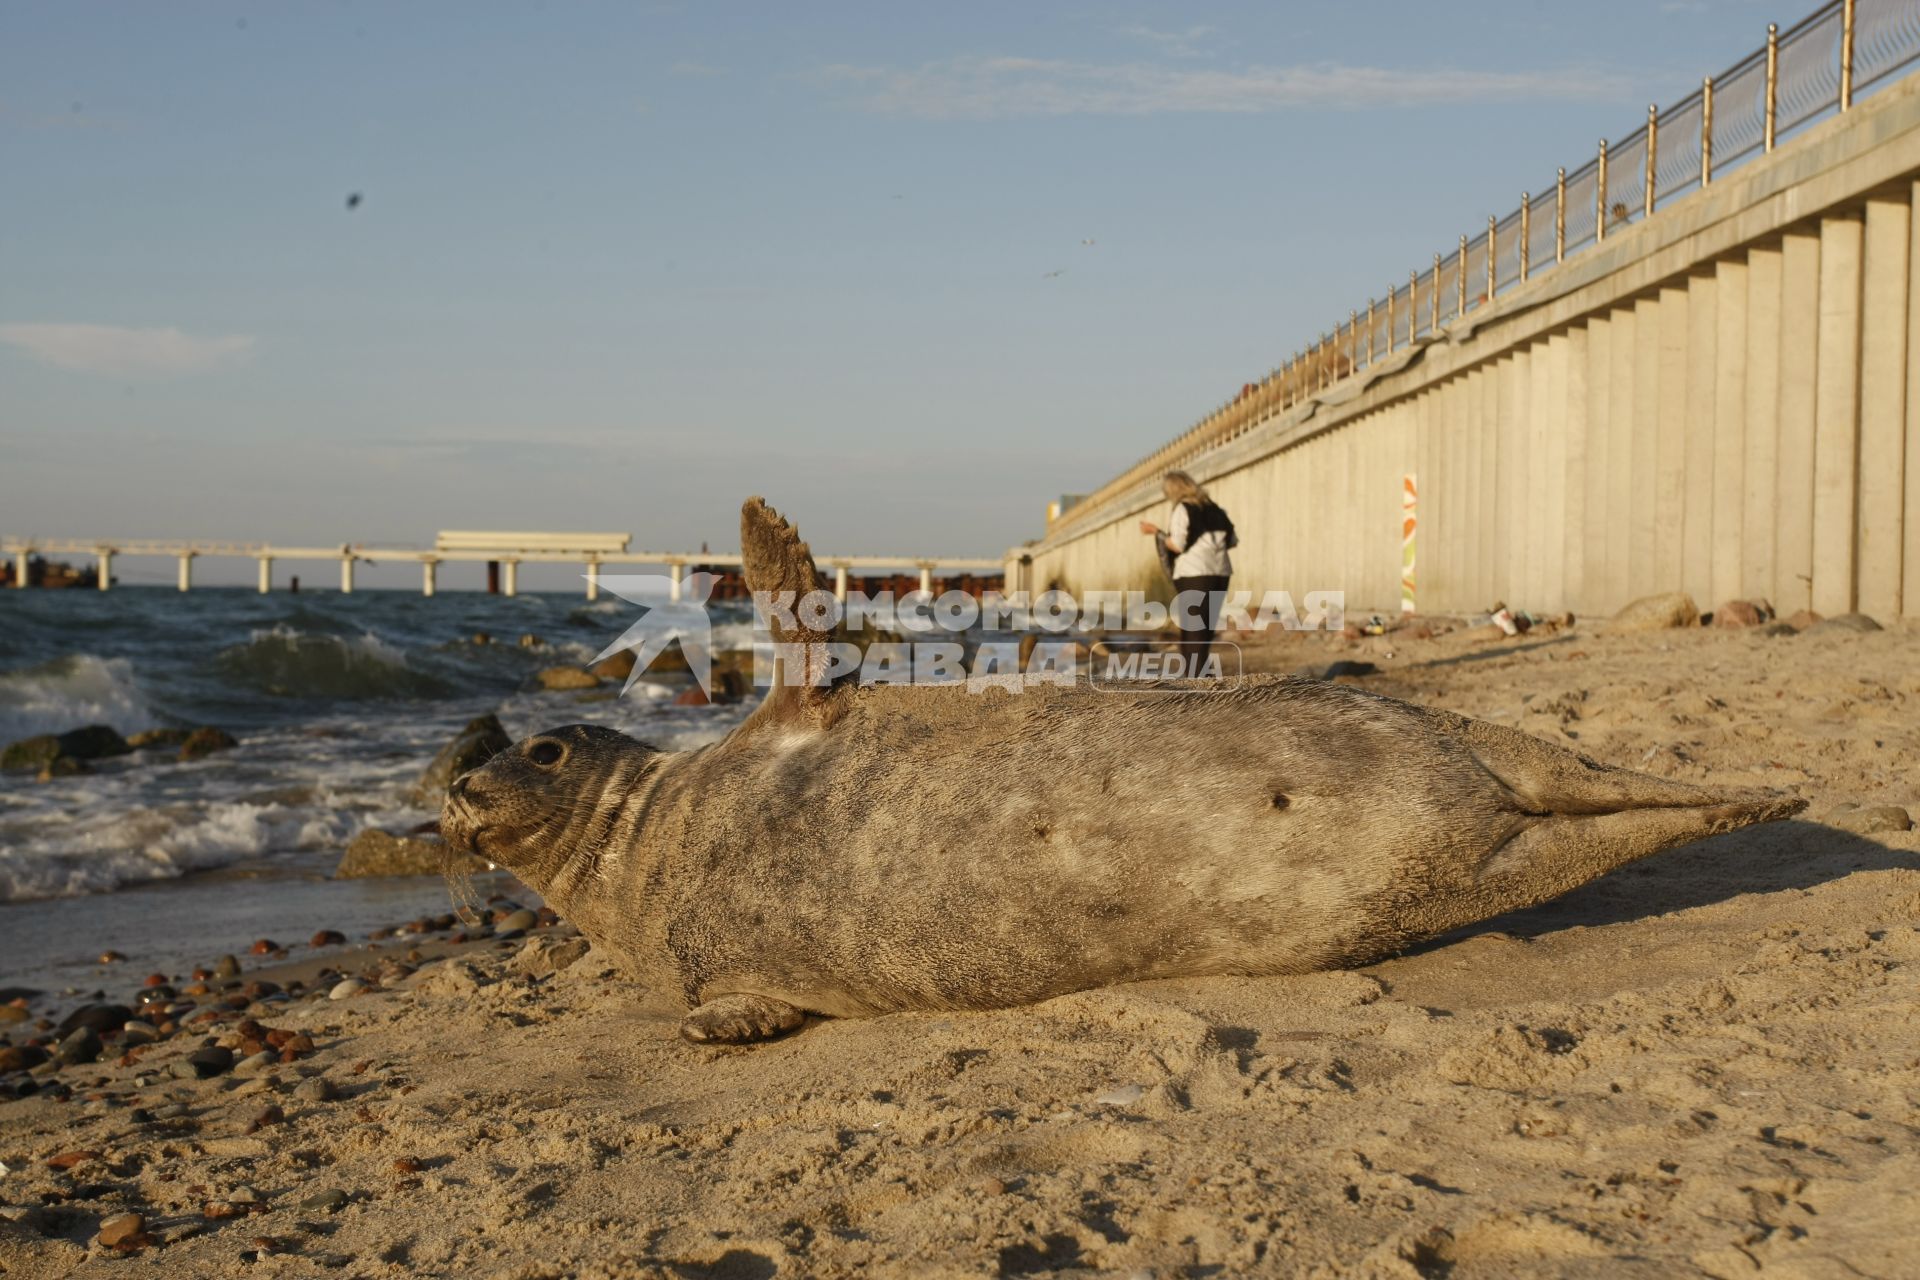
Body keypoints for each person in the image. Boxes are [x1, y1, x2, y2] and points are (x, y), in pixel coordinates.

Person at [1139, 470, 1235, 667]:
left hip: (1194, 573)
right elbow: (1232, 541)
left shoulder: (1183, 509)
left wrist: (1156, 533)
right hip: (1221, 573)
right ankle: (1202, 675)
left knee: (1193, 629)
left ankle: (1196, 679)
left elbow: (1178, 545)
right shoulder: (1216, 509)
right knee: (1206, 627)